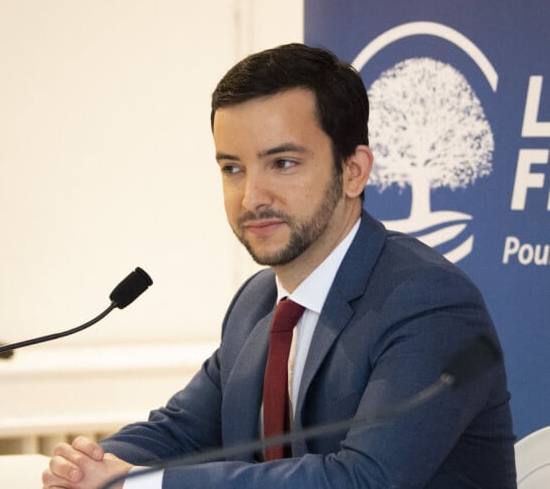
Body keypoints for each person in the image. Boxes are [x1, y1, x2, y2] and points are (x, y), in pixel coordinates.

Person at [42, 43, 516, 488]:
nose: (251, 197)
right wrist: (94, 465)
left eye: (283, 163)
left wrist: (145, 481)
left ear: (354, 171)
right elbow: (183, 432)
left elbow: (362, 480)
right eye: (232, 168)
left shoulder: (429, 302)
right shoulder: (257, 302)